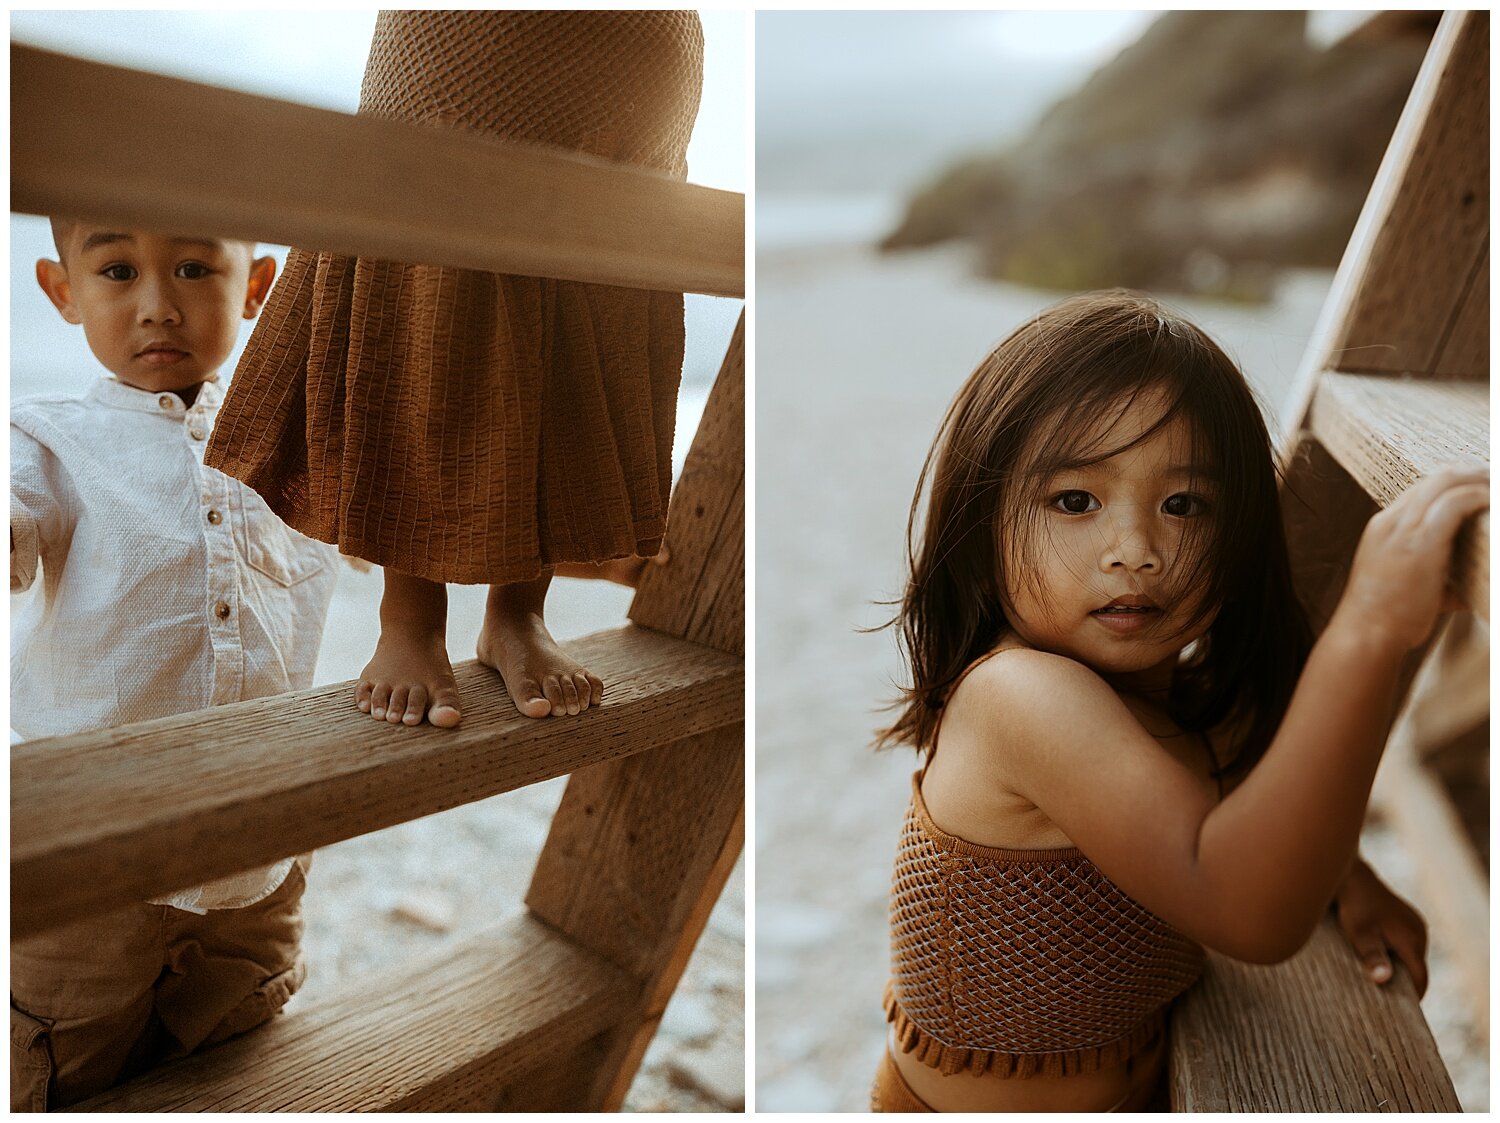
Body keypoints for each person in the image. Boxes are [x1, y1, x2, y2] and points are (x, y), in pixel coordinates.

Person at [873, 290, 1486, 1112]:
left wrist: (1346, 873)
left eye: (1184, 504)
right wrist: (1370, 627)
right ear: (982, 535)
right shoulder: (1018, 696)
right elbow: (1248, 909)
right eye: (1075, 501)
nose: (1137, 550)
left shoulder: (1170, 699)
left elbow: (1241, 788)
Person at [204, 10, 705, 728]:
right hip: (476, 36)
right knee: (428, 269)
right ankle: (409, 618)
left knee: (575, 306)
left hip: (632, 50)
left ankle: (517, 612)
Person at [11, 221, 340, 1110]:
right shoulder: (48, 439)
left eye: (196, 267)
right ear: (62, 290)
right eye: (117, 270)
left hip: (257, 844)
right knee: (64, 1055)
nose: (159, 303)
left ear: (258, 283)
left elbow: (407, 519)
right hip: (90, 850)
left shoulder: (295, 437)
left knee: (240, 1043)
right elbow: (13, 512)